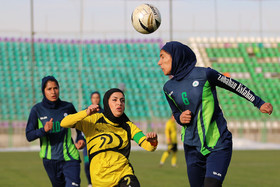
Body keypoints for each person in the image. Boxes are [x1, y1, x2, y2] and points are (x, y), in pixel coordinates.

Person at [157, 41, 273, 187]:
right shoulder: (168, 87)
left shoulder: (205, 74)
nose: (159, 62)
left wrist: (258, 102)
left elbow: (234, 85)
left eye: (162, 57)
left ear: (176, 57)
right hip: (192, 148)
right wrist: (180, 118)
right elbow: (175, 113)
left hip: (218, 144)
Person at [61, 88, 158, 187]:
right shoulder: (93, 120)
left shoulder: (128, 126)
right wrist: (85, 112)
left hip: (123, 175)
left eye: (122, 100)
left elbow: (148, 146)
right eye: (114, 100)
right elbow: (64, 122)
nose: (119, 103)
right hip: (100, 181)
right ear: (107, 103)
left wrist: (153, 141)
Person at [26, 75, 86, 187]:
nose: (53, 92)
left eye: (55, 88)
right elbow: (29, 135)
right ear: (43, 91)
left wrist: (81, 138)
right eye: (49, 89)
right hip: (50, 161)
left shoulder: (68, 107)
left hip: (70, 157)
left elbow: (80, 126)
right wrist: (44, 130)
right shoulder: (37, 110)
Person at [83, 91, 104, 187]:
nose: (95, 99)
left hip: (100, 143)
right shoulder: (86, 112)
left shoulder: (104, 112)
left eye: (97, 97)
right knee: (87, 164)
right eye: (93, 98)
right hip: (88, 143)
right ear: (91, 99)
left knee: (100, 166)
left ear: (100, 99)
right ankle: (90, 183)